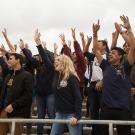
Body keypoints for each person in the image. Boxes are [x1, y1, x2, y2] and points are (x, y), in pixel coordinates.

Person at [0, 53, 33, 135]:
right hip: (4, 110)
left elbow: (28, 96)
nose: (8, 60)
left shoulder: (27, 76)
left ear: (18, 60)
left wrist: (13, 105)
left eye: (11, 59)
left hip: (18, 112)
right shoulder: (8, 76)